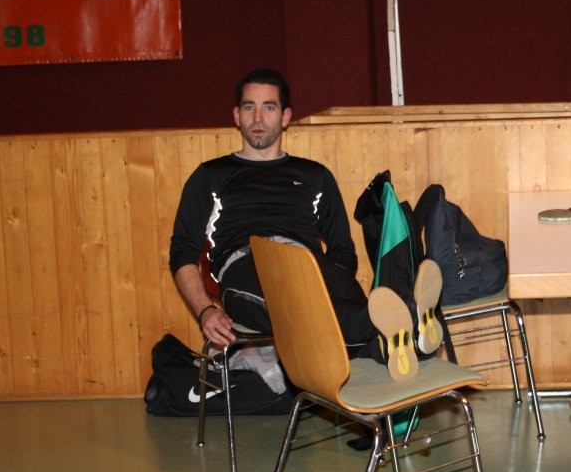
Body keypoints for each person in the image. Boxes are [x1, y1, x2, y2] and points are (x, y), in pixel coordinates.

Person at [168, 68, 441, 382]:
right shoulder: (211, 175)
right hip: (247, 263)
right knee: (302, 305)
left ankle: (391, 341)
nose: (257, 117)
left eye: (268, 107)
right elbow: (182, 252)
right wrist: (205, 310)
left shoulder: (315, 175)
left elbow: (342, 250)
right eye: (249, 107)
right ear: (236, 115)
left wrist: (332, 282)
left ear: (285, 116)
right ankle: (405, 322)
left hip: (308, 263)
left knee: (341, 303)